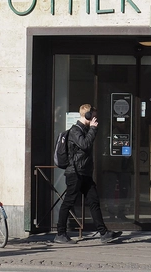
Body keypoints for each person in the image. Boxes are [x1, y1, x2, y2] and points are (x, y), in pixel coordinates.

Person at [55, 104, 122, 244]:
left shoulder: (85, 130)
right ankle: (60, 233)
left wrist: (92, 130)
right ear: (87, 115)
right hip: (75, 173)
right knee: (69, 202)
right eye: (94, 115)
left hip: (84, 173)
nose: (95, 118)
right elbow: (84, 145)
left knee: (93, 201)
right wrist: (93, 129)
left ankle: (104, 233)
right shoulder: (75, 130)